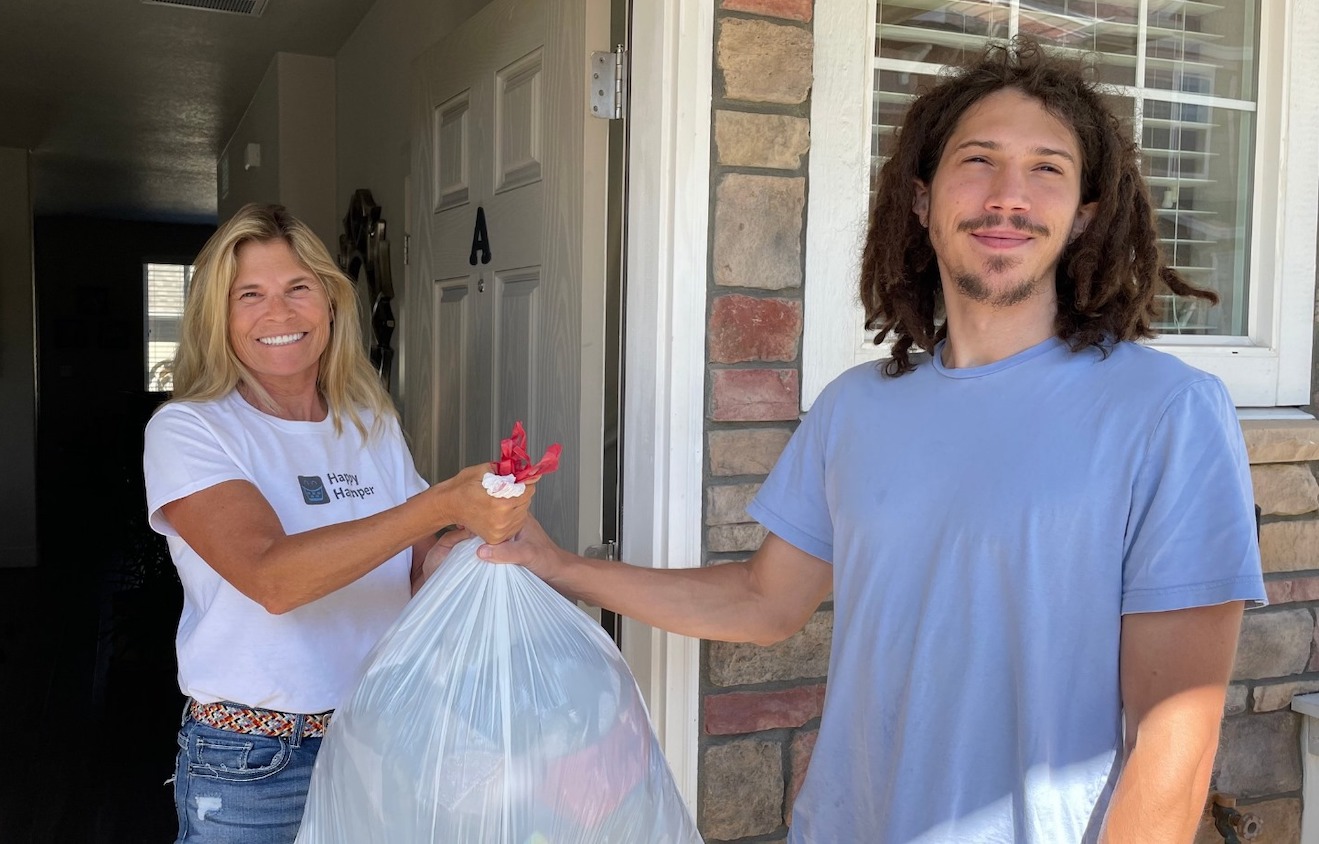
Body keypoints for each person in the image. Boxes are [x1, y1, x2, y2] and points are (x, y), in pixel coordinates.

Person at [484, 38, 1266, 843]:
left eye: (1046, 169)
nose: (1007, 197)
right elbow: (764, 601)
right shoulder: (855, 408)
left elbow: (1173, 733)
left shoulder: (1166, 410)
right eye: (978, 160)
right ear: (921, 202)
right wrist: (562, 569)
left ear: (1084, 216)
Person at [143, 203, 530, 843]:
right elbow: (274, 580)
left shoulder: (368, 423)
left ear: (328, 302)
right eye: (251, 295)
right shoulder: (190, 429)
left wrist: (484, 532)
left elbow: (415, 570)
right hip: (256, 763)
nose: (280, 313)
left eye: (298, 288)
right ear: (218, 316)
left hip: (380, 734)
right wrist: (440, 505)